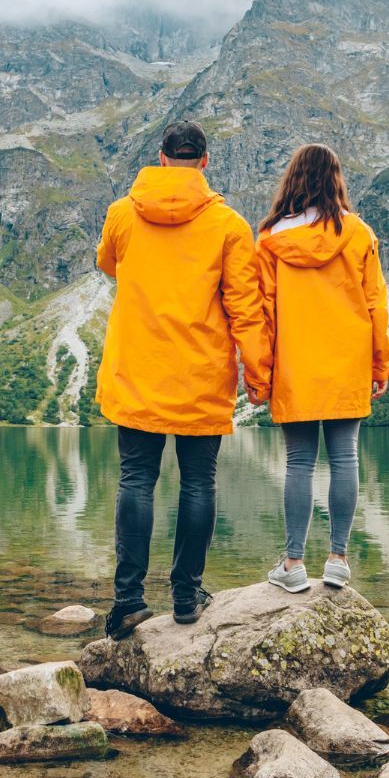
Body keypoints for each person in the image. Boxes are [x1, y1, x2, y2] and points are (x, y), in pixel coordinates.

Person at [95, 120, 272, 639]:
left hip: (138, 369)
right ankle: (187, 595)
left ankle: (128, 601)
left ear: (161, 156)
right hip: (201, 370)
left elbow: (108, 262)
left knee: (136, 480)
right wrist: (258, 373)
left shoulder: (123, 213)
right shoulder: (229, 225)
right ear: (206, 160)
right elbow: (245, 307)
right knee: (198, 482)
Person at [256, 143, 389, 592]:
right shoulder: (358, 233)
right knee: (345, 457)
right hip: (346, 359)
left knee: (298, 461)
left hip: (295, 362)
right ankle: (337, 559)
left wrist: (260, 371)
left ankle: (293, 565)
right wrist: (380, 362)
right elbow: (375, 304)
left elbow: (264, 311)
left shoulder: (272, 238)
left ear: (292, 180)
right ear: (336, 180)